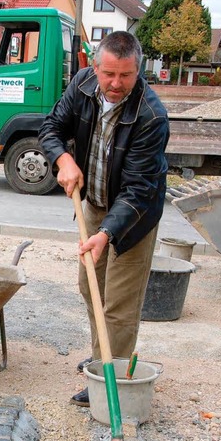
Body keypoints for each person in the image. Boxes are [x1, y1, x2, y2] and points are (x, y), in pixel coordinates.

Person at [38, 31, 169, 407]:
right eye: (108, 73)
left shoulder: (151, 116)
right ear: (94, 67)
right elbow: (52, 128)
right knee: (89, 287)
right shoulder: (82, 86)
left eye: (125, 76)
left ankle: (110, 380)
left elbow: (139, 190)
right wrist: (62, 159)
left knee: (118, 304)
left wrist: (107, 234)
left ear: (138, 72)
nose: (115, 84)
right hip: (92, 204)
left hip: (133, 217)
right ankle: (102, 359)